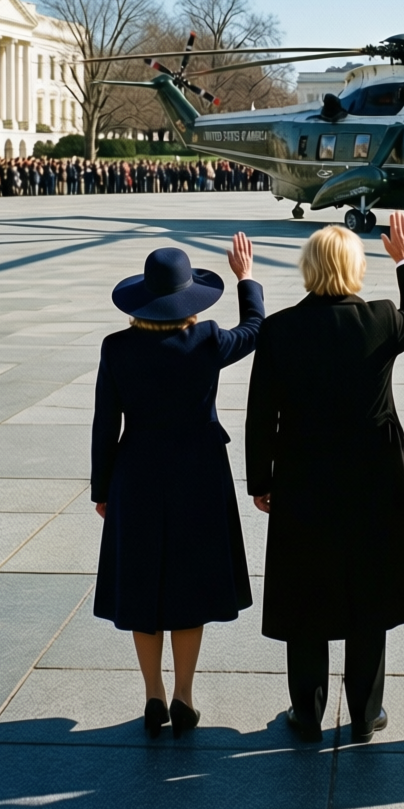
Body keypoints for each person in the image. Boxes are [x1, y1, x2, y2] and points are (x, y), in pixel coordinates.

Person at [245, 213, 404, 745]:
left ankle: (306, 712)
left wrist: (260, 479)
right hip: (372, 478)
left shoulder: (279, 328)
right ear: (356, 268)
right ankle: (365, 712)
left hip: (303, 475)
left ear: (308, 268)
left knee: (306, 590)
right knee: (368, 590)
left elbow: (260, 413)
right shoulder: (380, 318)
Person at [91, 233, 264, 739]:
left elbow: (105, 424)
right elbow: (255, 328)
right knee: (189, 584)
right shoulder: (207, 339)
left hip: (137, 474)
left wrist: (102, 488)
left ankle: (154, 694)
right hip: (198, 473)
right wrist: (246, 277)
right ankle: (185, 694)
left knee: (142, 582)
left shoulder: (116, 348)